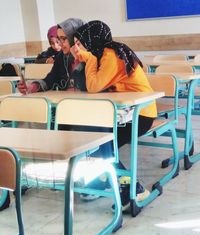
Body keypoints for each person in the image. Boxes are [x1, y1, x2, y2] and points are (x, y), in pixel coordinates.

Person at [73, 20, 158, 211]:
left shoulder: (110, 55)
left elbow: (94, 86)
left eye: (80, 43)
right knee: (94, 138)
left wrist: (89, 59)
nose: (77, 48)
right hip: (121, 113)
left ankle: (133, 189)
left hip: (140, 113)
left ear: (91, 40)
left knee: (104, 143)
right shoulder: (102, 54)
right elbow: (85, 85)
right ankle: (102, 178)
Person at [17, 18, 86, 95]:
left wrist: (76, 60)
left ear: (74, 38)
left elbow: (86, 86)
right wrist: (32, 87)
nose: (60, 43)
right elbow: (49, 80)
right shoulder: (61, 57)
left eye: (64, 39)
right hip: (65, 102)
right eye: (59, 39)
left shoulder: (90, 57)